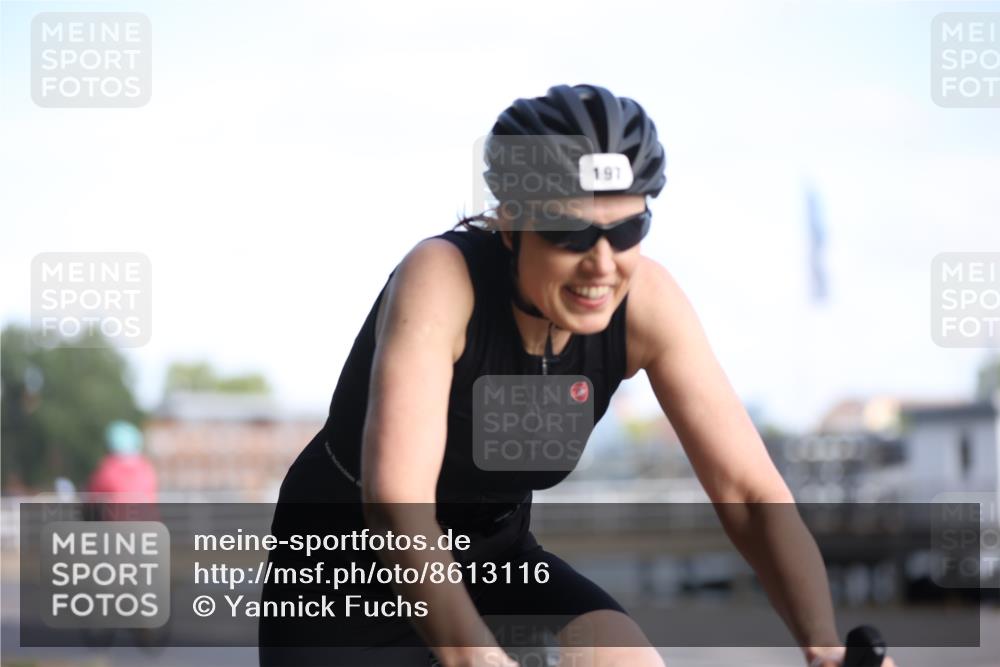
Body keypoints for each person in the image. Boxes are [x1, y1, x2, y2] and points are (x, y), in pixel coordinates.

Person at [259, 84, 898, 667]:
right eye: (570, 232)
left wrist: (824, 648)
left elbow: (751, 496)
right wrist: (475, 657)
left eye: (627, 229)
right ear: (510, 220)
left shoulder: (647, 303)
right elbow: (398, 505)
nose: (602, 264)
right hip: (342, 574)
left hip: (499, 563)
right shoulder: (441, 280)